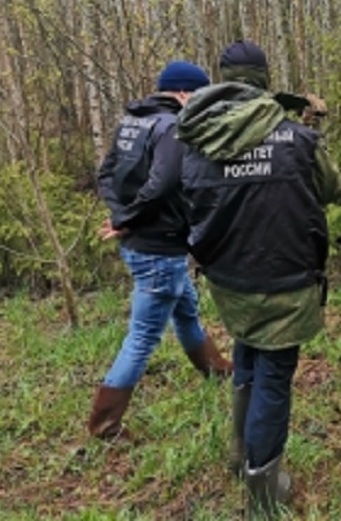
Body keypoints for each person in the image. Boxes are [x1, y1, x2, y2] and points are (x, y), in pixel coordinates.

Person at [177, 40, 340, 517]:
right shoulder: (296, 138)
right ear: (265, 79)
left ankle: (239, 452)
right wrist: (311, 135)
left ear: (224, 78)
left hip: (228, 278)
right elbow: (332, 188)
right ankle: (263, 487)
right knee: (273, 375)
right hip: (285, 277)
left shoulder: (196, 139)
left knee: (248, 348)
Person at [89, 60, 233, 440]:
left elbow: (106, 174)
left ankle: (217, 371)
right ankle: (105, 425)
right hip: (158, 247)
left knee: (186, 310)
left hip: (145, 242)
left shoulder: (133, 121)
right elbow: (163, 183)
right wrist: (128, 219)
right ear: (184, 92)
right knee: (142, 337)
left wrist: (121, 214)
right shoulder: (171, 127)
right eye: (199, 95)